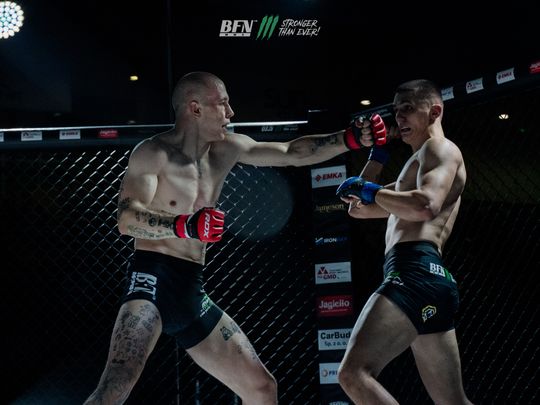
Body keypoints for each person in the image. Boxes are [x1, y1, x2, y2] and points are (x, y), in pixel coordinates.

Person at [83, 71, 386, 405]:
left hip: (190, 290)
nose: (230, 112)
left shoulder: (226, 148)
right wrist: (185, 226)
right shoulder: (153, 152)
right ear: (195, 108)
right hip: (151, 281)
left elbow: (290, 151)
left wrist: (348, 139)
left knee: (261, 388)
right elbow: (127, 219)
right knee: (116, 385)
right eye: (222, 104)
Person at [336, 79, 473, 404]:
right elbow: (358, 209)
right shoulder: (416, 166)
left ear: (434, 111)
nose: (399, 118)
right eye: (396, 111)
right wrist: (378, 156)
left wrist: (370, 190)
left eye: (408, 109)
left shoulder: (440, 149)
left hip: (414, 273)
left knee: (353, 374)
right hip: (427, 280)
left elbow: (425, 205)